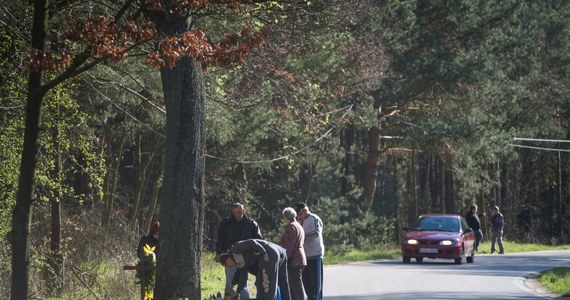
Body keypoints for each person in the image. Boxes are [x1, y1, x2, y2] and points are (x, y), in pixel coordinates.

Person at [215, 203, 263, 299]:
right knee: (230, 282)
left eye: (239, 212)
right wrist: (218, 253)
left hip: (245, 258)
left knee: (243, 282)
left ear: (243, 211)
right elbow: (220, 238)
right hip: (229, 258)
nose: (237, 214)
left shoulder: (251, 223)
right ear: (232, 212)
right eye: (235, 212)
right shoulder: (226, 223)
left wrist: (258, 255)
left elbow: (258, 240)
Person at [219, 239, 291, 300]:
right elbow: (242, 277)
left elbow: (251, 242)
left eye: (227, 265)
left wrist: (264, 253)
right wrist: (237, 292)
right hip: (280, 252)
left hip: (269, 255)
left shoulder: (235, 249)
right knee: (283, 283)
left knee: (267, 286)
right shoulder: (238, 262)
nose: (229, 267)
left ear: (228, 260)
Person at [294, 202, 324, 300]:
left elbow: (316, 233)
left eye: (299, 214)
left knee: (316, 283)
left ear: (305, 211)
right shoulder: (298, 221)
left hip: (315, 255)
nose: (299, 217)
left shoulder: (314, 219)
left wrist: (302, 235)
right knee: (306, 283)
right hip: (304, 256)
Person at [280, 207, 306, 300]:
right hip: (300, 257)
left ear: (286, 217)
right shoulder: (298, 225)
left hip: (294, 259)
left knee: (296, 285)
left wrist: (284, 258)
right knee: (294, 284)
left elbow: (290, 245)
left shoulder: (291, 227)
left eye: (284, 217)